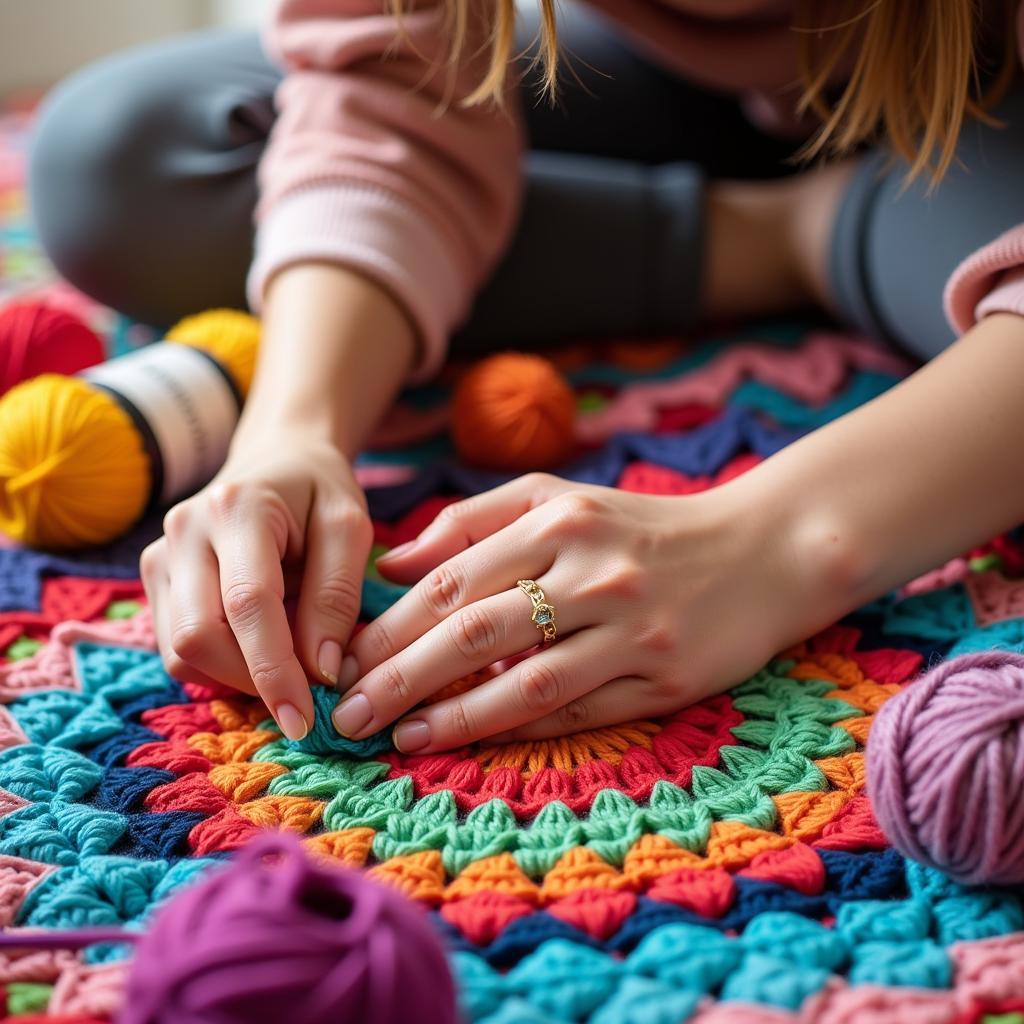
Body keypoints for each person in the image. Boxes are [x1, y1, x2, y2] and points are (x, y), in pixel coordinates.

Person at [28, 0, 1024, 753]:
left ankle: (835, 225)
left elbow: (786, 542)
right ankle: (796, 229)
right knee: (122, 157)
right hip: (663, 88)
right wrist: (292, 428)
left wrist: (775, 539)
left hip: (982, 118)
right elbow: (389, 93)